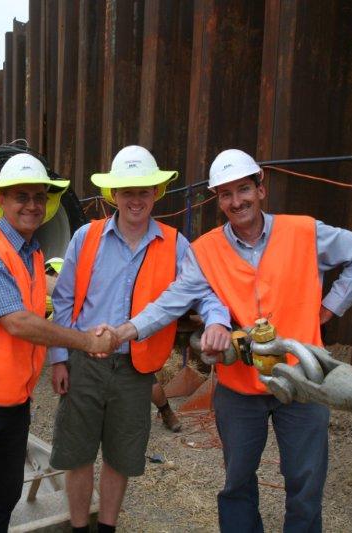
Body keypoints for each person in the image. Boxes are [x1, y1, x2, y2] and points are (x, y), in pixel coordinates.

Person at [118, 148, 352, 532]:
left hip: (304, 380)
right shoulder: (206, 250)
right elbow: (172, 301)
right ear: (218, 200)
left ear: (261, 188)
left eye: (243, 189)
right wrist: (129, 330)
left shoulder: (304, 232)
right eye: (225, 194)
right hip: (240, 389)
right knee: (237, 482)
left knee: (305, 483)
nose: (236, 201)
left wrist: (329, 308)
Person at [48, 145, 232, 532]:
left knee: (122, 456)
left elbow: (205, 292)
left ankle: (107, 528)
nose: (136, 199)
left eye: (144, 190)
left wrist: (218, 321)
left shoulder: (176, 244)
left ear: (156, 194)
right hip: (85, 362)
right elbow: (63, 301)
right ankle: (80, 527)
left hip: (137, 368)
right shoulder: (87, 236)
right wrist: (60, 358)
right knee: (78, 454)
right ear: (114, 195)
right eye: (127, 191)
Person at [0, 153, 120, 533]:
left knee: (3, 498)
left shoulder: (32, 253)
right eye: (21, 197)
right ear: (0, 201)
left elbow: (41, 317)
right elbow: (19, 323)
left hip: (13, 402)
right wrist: (86, 340)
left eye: (39, 197)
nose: (32, 206)